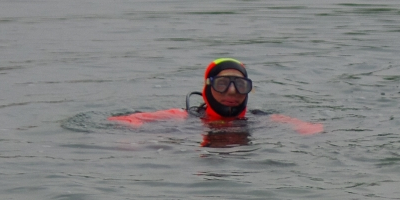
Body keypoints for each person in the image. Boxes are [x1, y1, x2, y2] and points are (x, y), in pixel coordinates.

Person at [109, 59, 323, 139]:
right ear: (206, 89)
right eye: (222, 84)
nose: (232, 92)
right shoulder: (182, 117)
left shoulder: (260, 119)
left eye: (240, 85)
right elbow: (121, 120)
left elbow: (309, 127)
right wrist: (136, 137)